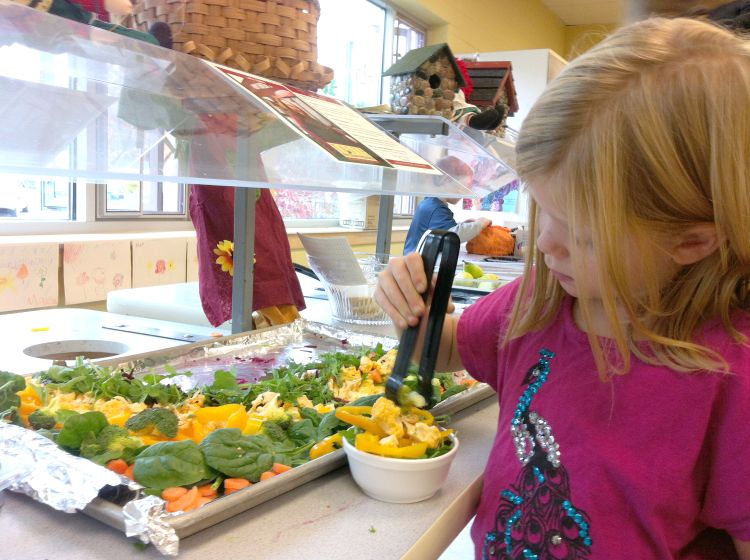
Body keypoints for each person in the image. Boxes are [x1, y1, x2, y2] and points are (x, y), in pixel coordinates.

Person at [375, 17, 750, 559]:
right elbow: (452, 350)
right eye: (543, 211)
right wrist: (420, 311)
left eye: (584, 234)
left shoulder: (730, 374)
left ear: (691, 242)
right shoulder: (540, 302)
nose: (547, 246)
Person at [403, 196, 491, 255]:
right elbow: (452, 235)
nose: (463, 195)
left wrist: (463, 224)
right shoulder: (436, 207)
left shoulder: (429, 202)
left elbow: (441, 231)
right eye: (460, 188)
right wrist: (480, 224)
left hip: (412, 258)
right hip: (417, 262)